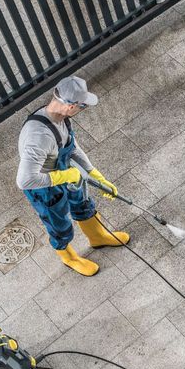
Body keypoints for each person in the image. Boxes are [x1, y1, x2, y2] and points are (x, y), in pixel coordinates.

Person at [16, 75, 129, 276]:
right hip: (44, 188)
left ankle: (98, 236)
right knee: (59, 224)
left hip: (67, 174)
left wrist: (95, 174)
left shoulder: (60, 119)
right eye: (82, 106)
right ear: (71, 106)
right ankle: (70, 258)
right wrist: (65, 176)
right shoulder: (38, 136)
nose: (82, 109)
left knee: (82, 203)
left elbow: (71, 147)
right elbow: (24, 180)